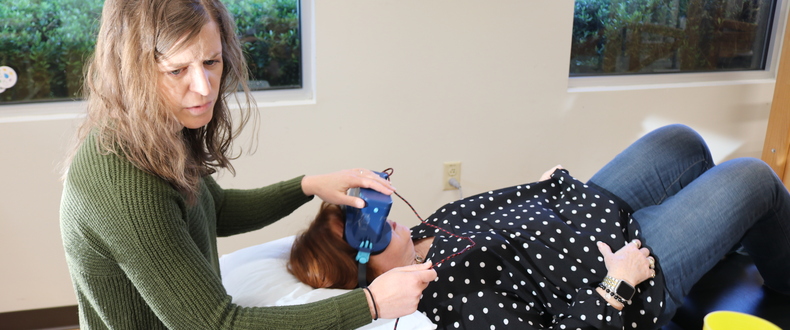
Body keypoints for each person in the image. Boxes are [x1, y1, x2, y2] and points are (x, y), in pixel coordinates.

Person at [59, 0, 436, 328]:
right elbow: (215, 325)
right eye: (177, 71)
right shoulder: (126, 186)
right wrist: (369, 304)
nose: (205, 87)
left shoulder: (157, 128)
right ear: (132, 71)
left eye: (211, 61)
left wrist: (308, 186)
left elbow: (214, 210)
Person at [288, 124, 790, 330]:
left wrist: (544, 186)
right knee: (754, 178)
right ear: (362, 265)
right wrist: (617, 284)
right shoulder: (446, 304)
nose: (379, 216)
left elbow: (501, 206)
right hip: (631, 269)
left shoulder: (426, 228)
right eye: (364, 228)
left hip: (581, 205)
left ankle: (724, 248)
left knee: (680, 143)